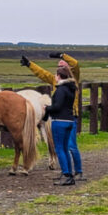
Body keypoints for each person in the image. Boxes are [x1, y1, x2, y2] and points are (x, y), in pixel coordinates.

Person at [21, 52, 84, 180]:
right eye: (57, 66)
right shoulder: (56, 81)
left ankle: (78, 171)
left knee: (70, 146)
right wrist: (29, 64)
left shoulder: (73, 80)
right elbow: (42, 73)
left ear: (67, 69)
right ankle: (67, 171)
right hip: (60, 116)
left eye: (61, 65)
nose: (58, 66)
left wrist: (62, 55)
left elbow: (75, 64)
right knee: (64, 147)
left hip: (68, 116)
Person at [45, 67, 79, 186]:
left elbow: (57, 106)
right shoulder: (71, 89)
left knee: (59, 149)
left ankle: (66, 175)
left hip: (59, 121)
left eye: (56, 75)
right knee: (65, 149)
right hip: (70, 121)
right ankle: (69, 174)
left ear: (59, 76)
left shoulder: (60, 90)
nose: (55, 76)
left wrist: (47, 108)